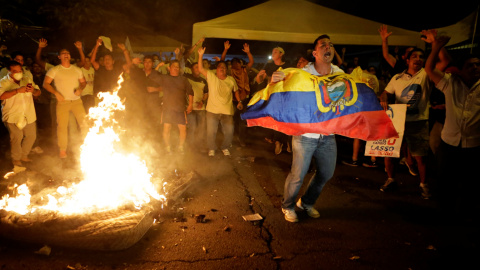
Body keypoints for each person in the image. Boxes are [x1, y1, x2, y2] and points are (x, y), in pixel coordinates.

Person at [272, 34, 343, 222]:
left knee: (326, 173)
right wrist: (275, 81)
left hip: (328, 135)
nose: (328, 47)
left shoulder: (339, 74)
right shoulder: (303, 73)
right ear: (315, 52)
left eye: (331, 45)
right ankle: (287, 206)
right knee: (298, 175)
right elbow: (283, 91)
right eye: (323, 45)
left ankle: (306, 203)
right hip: (305, 135)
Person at [379, 41, 449, 198]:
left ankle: (424, 184)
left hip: (418, 122)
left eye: (421, 57)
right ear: (407, 60)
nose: (418, 59)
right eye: (414, 56)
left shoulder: (426, 74)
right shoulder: (397, 78)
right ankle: (390, 179)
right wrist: (383, 97)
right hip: (397, 121)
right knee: (390, 154)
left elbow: (445, 61)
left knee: (420, 157)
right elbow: (386, 92)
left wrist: (435, 44)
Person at [423, 30, 480, 214]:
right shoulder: (450, 83)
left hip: (474, 145)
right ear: (461, 70)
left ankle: (467, 213)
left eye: (478, 65)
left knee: (471, 183)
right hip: (449, 143)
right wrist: (436, 46)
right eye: (470, 66)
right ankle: (446, 212)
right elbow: (430, 68)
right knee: (446, 181)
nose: (475, 68)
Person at [43, 44, 87, 159]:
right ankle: (63, 150)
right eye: (63, 53)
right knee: (62, 126)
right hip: (63, 102)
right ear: (59, 57)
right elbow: (45, 84)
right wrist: (56, 93)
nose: (66, 55)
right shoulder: (55, 70)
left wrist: (80, 89)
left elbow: (83, 82)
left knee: (84, 124)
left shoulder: (76, 69)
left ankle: (87, 145)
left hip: (77, 101)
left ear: (70, 56)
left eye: (67, 53)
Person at [197, 46, 241, 157]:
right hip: (212, 111)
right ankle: (211, 148)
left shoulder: (231, 80)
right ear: (216, 69)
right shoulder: (211, 77)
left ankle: (225, 147)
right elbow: (201, 69)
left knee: (229, 132)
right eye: (220, 67)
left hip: (227, 111)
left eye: (224, 67)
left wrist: (239, 101)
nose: (222, 69)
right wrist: (200, 55)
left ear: (227, 70)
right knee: (211, 132)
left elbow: (236, 91)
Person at [147, 60, 194, 155]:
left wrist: (190, 104)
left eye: (177, 67)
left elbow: (190, 92)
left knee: (183, 129)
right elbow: (152, 75)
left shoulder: (183, 79)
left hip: (180, 108)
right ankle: (167, 148)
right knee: (167, 129)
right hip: (167, 108)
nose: (176, 68)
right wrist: (159, 65)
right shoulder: (165, 78)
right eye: (174, 66)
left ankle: (180, 147)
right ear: (169, 68)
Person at [0, 60, 41, 168]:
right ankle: (16, 159)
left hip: (28, 114)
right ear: (9, 71)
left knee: (31, 136)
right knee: (17, 137)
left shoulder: (27, 79)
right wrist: (17, 91)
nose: (18, 73)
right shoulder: (3, 82)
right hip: (12, 116)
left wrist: (33, 91)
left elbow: (38, 92)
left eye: (20, 70)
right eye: (15, 71)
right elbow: (1, 96)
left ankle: (24, 155)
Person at [255, 47, 291, 154]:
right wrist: (259, 76)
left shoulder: (287, 66)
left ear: (281, 54)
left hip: (284, 97)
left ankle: (286, 141)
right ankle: (278, 142)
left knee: (284, 120)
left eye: (275, 52)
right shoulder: (269, 66)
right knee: (274, 120)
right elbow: (260, 81)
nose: (273, 53)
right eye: (272, 51)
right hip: (272, 96)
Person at [221, 41, 254, 147]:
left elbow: (251, 62)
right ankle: (231, 139)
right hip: (232, 99)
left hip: (243, 99)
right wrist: (225, 50)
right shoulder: (230, 71)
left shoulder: (244, 70)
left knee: (241, 121)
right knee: (232, 121)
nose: (236, 65)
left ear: (240, 63)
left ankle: (241, 140)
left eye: (238, 63)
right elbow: (222, 62)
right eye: (234, 63)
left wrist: (248, 53)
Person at [184, 62, 208, 152]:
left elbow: (206, 93)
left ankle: (199, 145)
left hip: (201, 108)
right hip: (190, 107)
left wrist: (202, 101)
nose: (198, 69)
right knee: (192, 128)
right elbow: (182, 63)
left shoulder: (203, 80)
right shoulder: (187, 78)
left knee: (201, 128)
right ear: (191, 69)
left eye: (199, 67)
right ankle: (191, 146)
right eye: (195, 67)